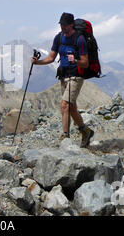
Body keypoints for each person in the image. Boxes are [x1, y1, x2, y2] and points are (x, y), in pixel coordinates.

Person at [31, 12, 94, 148]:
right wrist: (37, 62)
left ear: (71, 25)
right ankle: (86, 131)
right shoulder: (58, 38)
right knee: (71, 108)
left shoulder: (80, 39)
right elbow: (51, 58)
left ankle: (65, 136)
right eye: (61, 25)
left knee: (64, 105)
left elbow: (85, 63)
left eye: (65, 25)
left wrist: (75, 60)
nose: (62, 27)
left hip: (76, 76)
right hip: (64, 76)